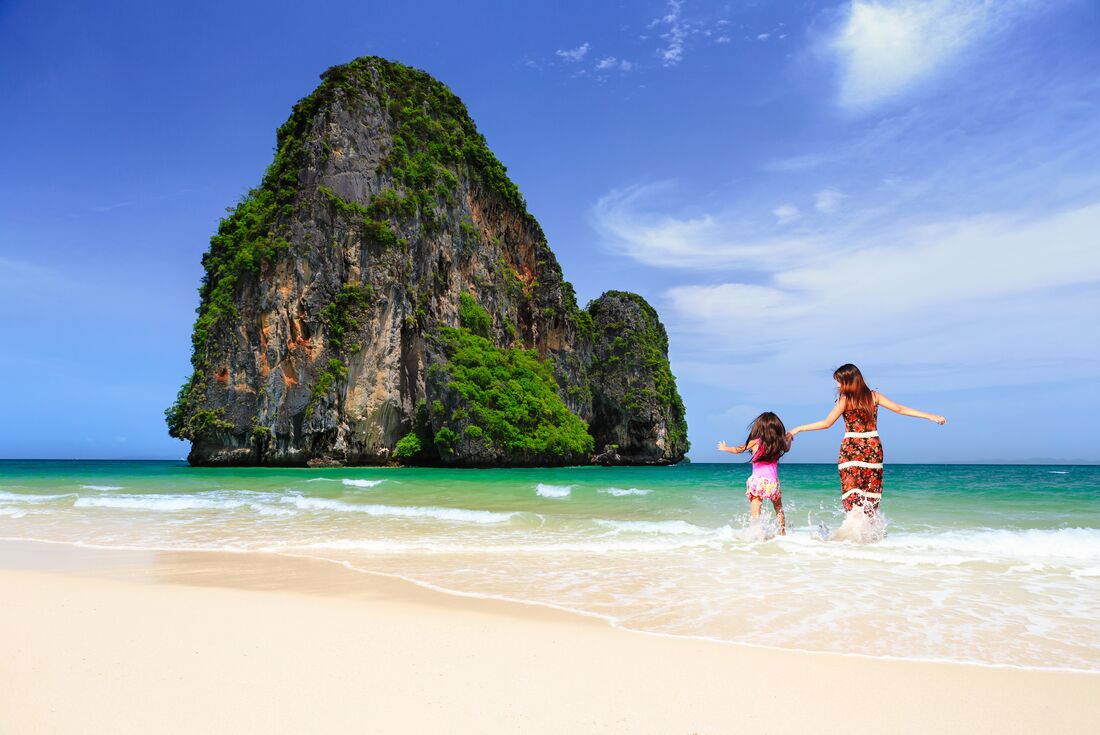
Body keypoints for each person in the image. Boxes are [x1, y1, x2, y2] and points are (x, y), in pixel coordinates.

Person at [787, 363, 946, 514]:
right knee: (870, 495)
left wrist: (798, 429)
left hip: (850, 450)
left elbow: (826, 423)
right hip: (872, 448)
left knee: (852, 494)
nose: (838, 386)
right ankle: (869, 535)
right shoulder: (874, 397)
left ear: (849, 382)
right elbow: (900, 409)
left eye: (840, 382)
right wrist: (929, 416)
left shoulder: (845, 400)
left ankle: (852, 532)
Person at [717, 412, 791, 535]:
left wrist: (725, 448)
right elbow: (787, 448)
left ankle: (757, 534)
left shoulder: (756, 441)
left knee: (756, 510)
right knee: (778, 508)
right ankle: (783, 533)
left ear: (759, 427)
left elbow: (738, 449)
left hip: (757, 482)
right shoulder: (779, 443)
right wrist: (789, 439)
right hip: (772, 482)